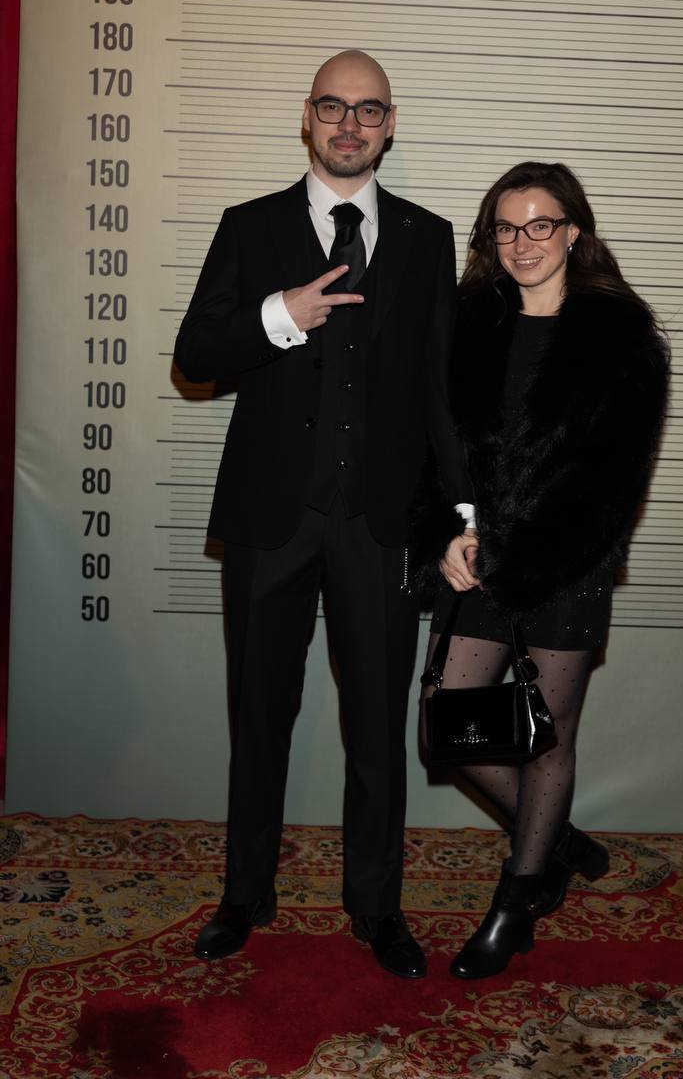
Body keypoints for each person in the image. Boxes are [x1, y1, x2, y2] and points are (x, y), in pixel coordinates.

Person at [174, 50, 473, 978]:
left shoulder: (427, 237)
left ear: (390, 124)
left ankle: (377, 908)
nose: (350, 125)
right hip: (270, 516)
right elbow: (195, 355)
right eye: (333, 107)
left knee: (378, 726)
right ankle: (244, 895)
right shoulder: (249, 225)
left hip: (379, 524)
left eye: (368, 110)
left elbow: (440, 390)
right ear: (307, 117)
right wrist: (280, 314)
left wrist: (460, 511)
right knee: (258, 716)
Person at [416, 161, 669, 979]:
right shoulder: (468, 322)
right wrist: (450, 531)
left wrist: (521, 556)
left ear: (573, 231)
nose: (521, 242)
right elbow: (437, 446)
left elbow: (614, 479)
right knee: (449, 724)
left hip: (567, 563)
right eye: (505, 227)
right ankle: (555, 839)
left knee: (546, 741)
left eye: (540, 225)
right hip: (474, 558)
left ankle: (516, 901)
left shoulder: (621, 336)